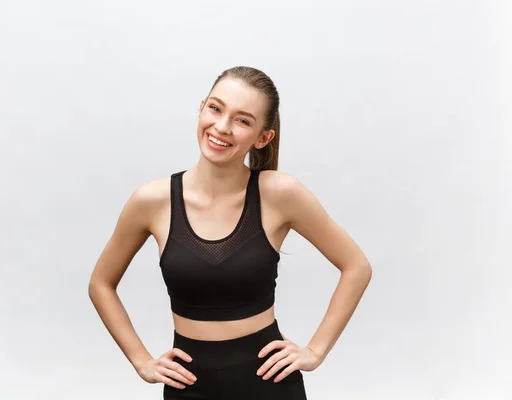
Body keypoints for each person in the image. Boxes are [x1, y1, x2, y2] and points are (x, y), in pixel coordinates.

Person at [88, 66, 372, 399]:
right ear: (202, 107)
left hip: (268, 385)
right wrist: (142, 361)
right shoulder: (152, 201)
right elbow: (100, 284)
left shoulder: (280, 194)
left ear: (263, 137)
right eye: (216, 108)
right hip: (188, 387)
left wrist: (315, 350)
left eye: (242, 120)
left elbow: (357, 267)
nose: (221, 127)